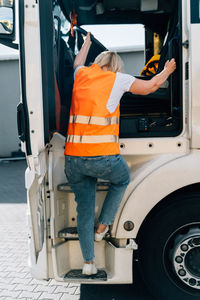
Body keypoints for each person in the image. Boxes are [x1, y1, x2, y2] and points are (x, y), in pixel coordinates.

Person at [64, 33, 176, 275]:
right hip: (102, 158)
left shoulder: (81, 75)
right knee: (122, 179)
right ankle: (103, 227)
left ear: (98, 62)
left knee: (84, 210)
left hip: (73, 159)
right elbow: (150, 87)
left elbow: (76, 63)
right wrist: (167, 70)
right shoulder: (118, 79)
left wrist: (85, 44)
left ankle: (88, 265)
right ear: (115, 65)